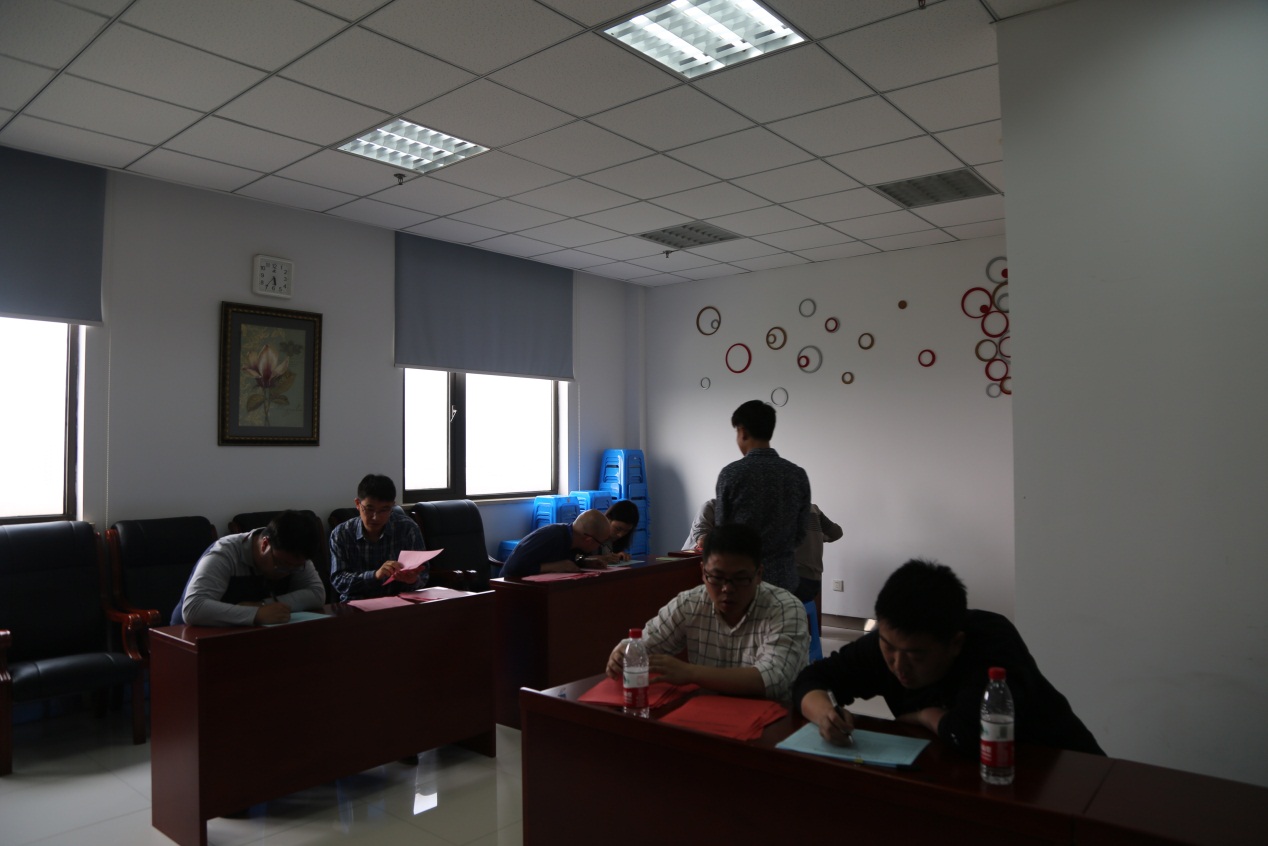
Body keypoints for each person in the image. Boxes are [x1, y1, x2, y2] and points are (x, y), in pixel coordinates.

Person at [793, 559, 1104, 756]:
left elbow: (968, 735)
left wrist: (924, 716)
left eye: (915, 655)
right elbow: (810, 680)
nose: (898, 665)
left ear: (955, 643)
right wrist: (826, 715)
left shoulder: (993, 641)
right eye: (889, 647)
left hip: (1061, 769)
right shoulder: (884, 643)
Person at [606, 523, 809, 702]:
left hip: (773, 720)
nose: (727, 588)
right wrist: (623, 653)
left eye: (740, 578)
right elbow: (646, 644)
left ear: (759, 575)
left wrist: (691, 673)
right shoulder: (690, 603)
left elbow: (773, 679)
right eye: (717, 577)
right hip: (707, 714)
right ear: (703, 572)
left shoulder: (784, 608)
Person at [714, 400, 811, 592]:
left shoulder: (731, 474)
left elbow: (722, 531)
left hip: (742, 580)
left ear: (742, 431)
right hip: (785, 579)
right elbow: (801, 532)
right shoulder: (797, 474)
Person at [173, 509, 325, 626]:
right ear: (265, 544)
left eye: (296, 567)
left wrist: (263, 605)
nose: (286, 572)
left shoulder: (295, 556)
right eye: (282, 565)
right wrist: (256, 614)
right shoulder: (225, 553)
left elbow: (317, 594)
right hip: (187, 640)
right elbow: (194, 608)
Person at [329, 474, 427, 602]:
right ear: (358, 504)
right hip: (357, 604)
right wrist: (375, 575)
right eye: (369, 509)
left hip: (399, 602)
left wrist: (413, 580)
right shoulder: (341, 533)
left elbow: (423, 575)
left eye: (384, 510)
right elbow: (339, 581)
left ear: (392, 506)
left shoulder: (408, 529)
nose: (376, 517)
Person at [500, 509, 612, 578]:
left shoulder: (574, 541)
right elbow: (514, 567)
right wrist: (554, 566)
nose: (599, 547)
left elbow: (566, 560)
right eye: (600, 543)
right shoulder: (551, 536)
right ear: (588, 539)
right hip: (514, 587)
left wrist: (584, 562)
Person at [792, 504, 843, 604]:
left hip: (793, 581)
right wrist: (817, 537)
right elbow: (836, 533)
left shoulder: (779, 510)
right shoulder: (813, 509)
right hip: (814, 581)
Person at [592, 499, 640, 564]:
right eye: (618, 529)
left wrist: (618, 556)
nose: (620, 535)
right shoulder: (591, 533)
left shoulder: (615, 541)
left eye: (626, 531)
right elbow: (579, 559)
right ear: (608, 518)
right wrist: (601, 558)